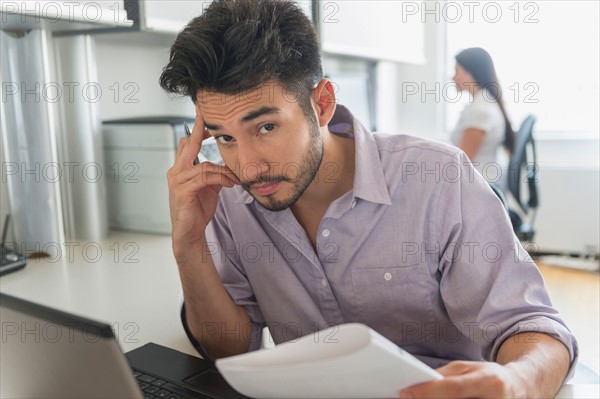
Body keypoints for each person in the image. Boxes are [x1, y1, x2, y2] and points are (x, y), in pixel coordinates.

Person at [159, 1, 577, 397]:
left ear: (321, 103)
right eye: (224, 137)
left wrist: (515, 383)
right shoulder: (229, 198)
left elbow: (533, 328)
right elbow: (228, 353)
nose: (248, 167)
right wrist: (188, 245)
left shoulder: (437, 178)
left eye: (266, 127)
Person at [450, 47, 515, 184]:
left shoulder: (479, 110)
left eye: (457, 71)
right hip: (486, 184)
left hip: (480, 188)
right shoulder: (485, 101)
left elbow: (462, 163)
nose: (453, 77)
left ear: (470, 73)